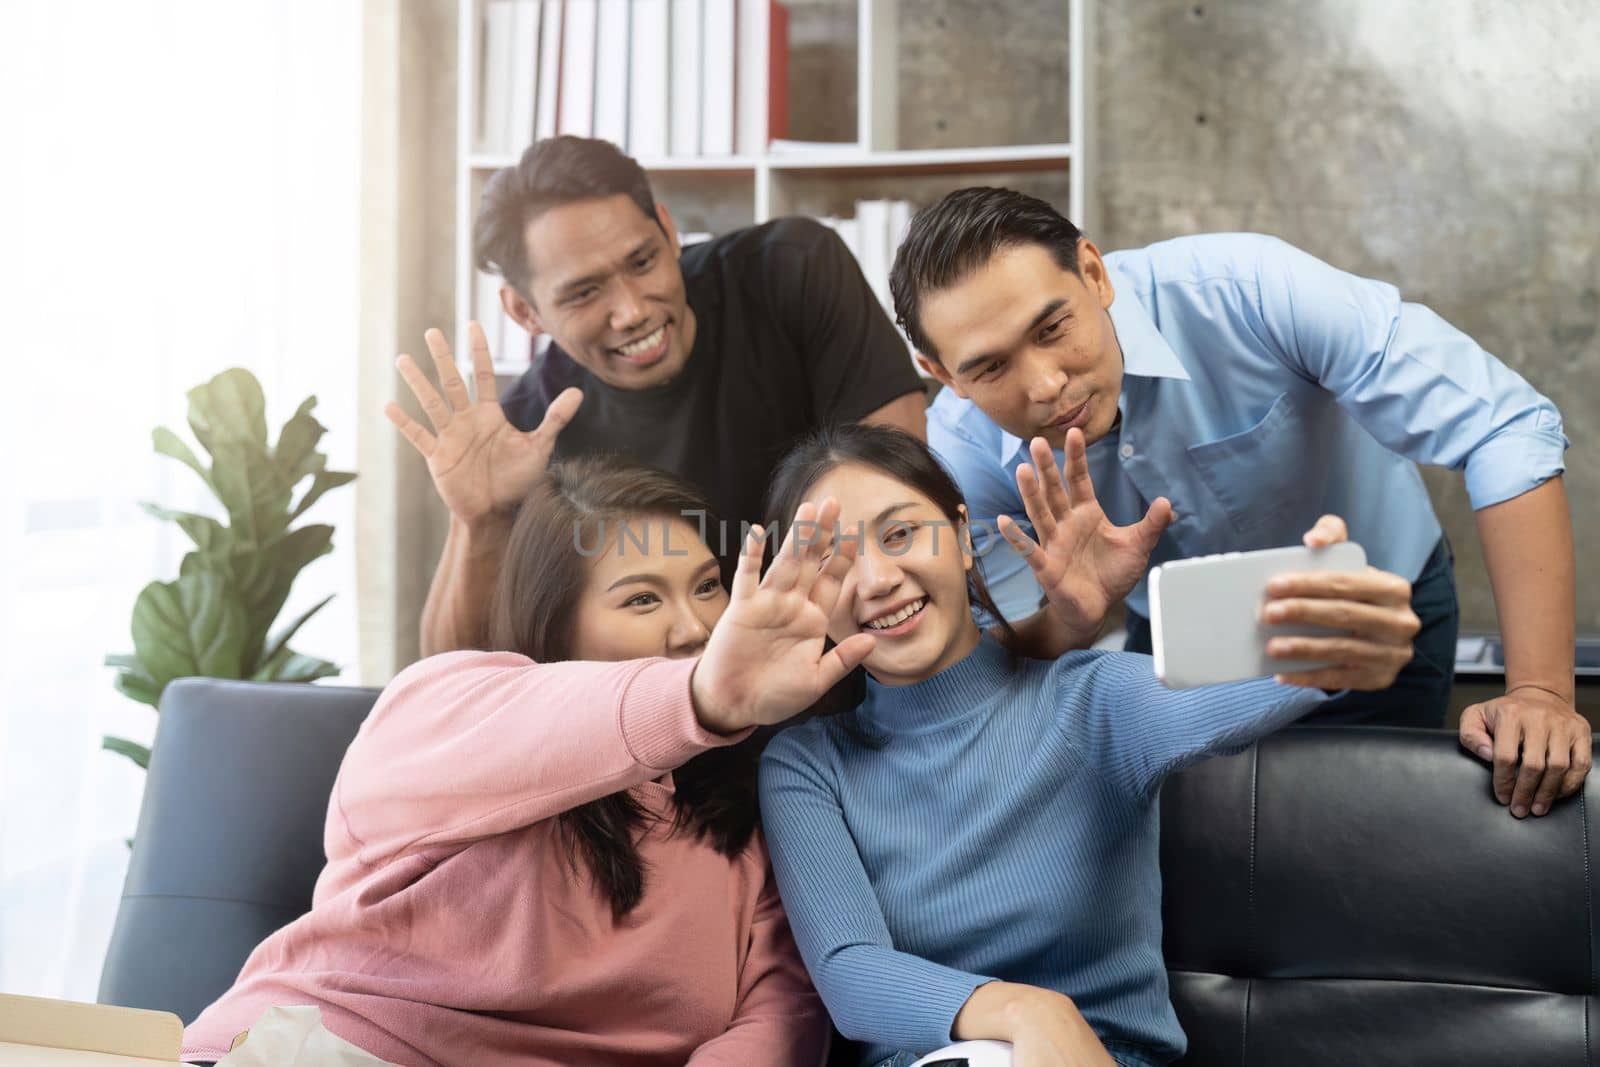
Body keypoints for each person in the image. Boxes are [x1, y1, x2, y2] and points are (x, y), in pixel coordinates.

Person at [753, 424, 1495, 1067]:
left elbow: (1261, 686)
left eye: (899, 533)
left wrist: (1337, 638)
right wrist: (1026, 1011)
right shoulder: (808, 763)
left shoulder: (1090, 700)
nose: (878, 579)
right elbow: (851, 974)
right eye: (833, 562)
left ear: (960, 534)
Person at [892, 186, 1588, 815]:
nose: (1045, 386)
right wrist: (1072, 621)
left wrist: (1542, 691)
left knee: (1372, 852)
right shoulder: (961, 451)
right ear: (938, 372)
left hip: (1375, 614)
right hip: (1174, 649)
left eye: (1052, 329)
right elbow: (973, 666)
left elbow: (1502, 424)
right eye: (989, 367)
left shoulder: (1250, 288)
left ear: (1095, 274)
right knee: (1201, 879)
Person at [181, 456, 879, 1066]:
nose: (696, 625)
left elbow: (777, 1020)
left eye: (705, 585)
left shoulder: (745, 820)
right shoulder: (443, 708)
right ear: (557, 619)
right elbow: (564, 718)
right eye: (641, 597)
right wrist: (705, 696)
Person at [387, 135, 926, 656]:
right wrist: (480, 520)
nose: (633, 310)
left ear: (668, 231)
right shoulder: (529, 430)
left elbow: (899, 500)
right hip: (674, 707)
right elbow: (451, 678)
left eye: (642, 262)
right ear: (525, 312)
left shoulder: (791, 269)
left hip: (856, 647)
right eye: (584, 292)